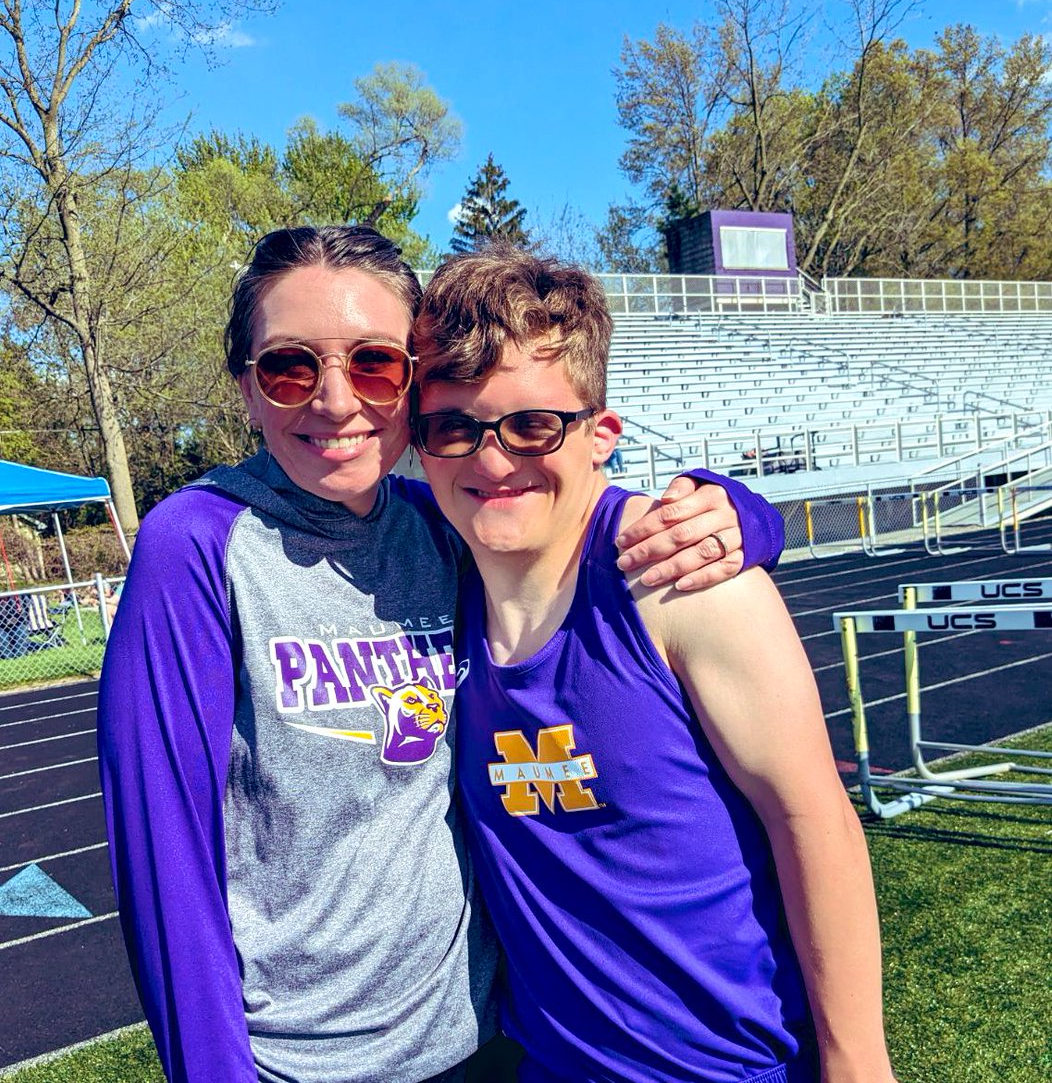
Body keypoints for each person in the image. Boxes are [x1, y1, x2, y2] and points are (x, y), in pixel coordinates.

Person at [97, 226, 785, 1083]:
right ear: (247, 390)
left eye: (375, 363)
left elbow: (579, 520)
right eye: (289, 366)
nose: (336, 401)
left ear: (413, 383)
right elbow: (164, 859)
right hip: (303, 1063)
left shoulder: (444, 527)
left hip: (487, 1036)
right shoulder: (193, 545)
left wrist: (741, 512)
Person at [410, 246, 898, 1083]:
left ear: (601, 436)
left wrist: (859, 1063)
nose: (492, 461)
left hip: (729, 1067)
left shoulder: (683, 583)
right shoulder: (433, 581)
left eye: (532, 424)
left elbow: (813, 821)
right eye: (454, 426)